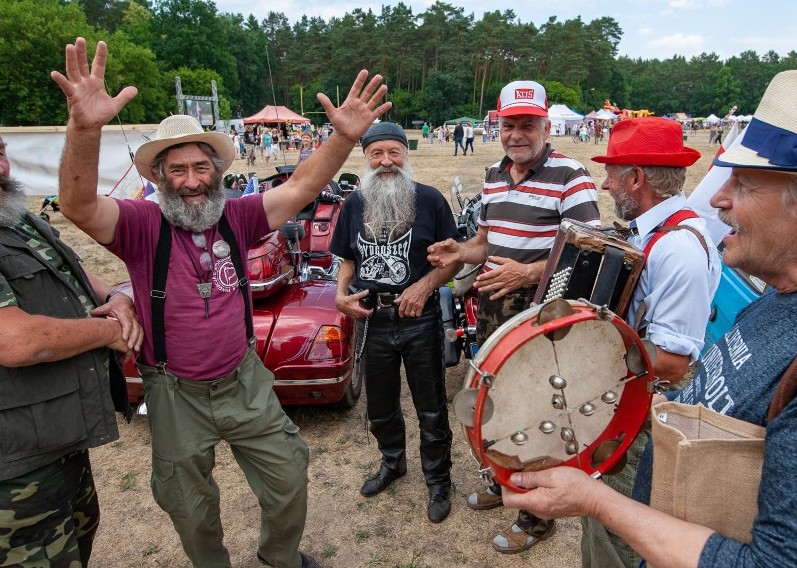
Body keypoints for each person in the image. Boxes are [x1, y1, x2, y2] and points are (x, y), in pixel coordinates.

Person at [52, 37, 391, 568]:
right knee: (188, 506)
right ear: (159, 178)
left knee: (288, 475)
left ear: (218, 172)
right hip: (174, 390)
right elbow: (75, 204)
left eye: (200, 168)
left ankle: (279, 557)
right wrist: (85, 128)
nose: (191, 181)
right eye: (178, 171)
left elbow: (302, 187)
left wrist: (344, 138)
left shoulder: (237, 216)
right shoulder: (140, 225)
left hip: (243, 380)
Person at [502, 68, 797, 568]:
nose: (718, 198)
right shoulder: (783, 299)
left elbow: (671, 359)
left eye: (747, 185)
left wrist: (584, 346)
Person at [427, 79, 601, 554]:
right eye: (510, 124)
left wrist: (526, 273)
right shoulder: (491, 174)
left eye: (528, 124)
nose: (518, 133)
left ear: (546, 125)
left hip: (542, 314)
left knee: (539, 412)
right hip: (492, 308)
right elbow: (485, 242)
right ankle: (505, 482)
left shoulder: (572, 175)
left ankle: (537, 515)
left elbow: (591, 255)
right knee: (493, 402)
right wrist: (459, 251)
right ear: (497, 125)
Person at [579, 116, 721, 567]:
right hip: (629, 398)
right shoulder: (653, 235)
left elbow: (674, 364)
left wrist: (589, 345)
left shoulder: (679, 248)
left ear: (637, 179)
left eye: (611, 175)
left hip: (646, 413)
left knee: (617, 529)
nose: (604, 185)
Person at [0, 134, 143, 566]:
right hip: (15, 457)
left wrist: (117, 298)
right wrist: (106, 333)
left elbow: (74, 272)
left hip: (55, 435)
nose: (0, 169)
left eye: (0, 154)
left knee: (78, 536)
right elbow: (16, 340)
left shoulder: (18, 219)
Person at [330, 122, 460, 524]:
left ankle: (439, 480)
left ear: (406, 154)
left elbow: (453, 258)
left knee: (431, 406)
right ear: (366, 159)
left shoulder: (432, 200)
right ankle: (393, 462)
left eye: (393, 153)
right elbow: (348, 257)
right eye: (377, 154)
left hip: (419, 318)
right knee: (381, 404)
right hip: (374, 317)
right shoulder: (354, 204)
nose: (386, 162)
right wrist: (339, 294)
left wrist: (424, 286)